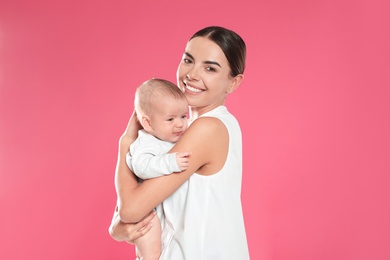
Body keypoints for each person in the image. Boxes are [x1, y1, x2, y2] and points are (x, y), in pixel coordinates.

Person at [109, 26, 250, 259]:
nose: (192, 74)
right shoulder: (181, 131)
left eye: (210, 68)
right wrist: (120, 226)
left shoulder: (208, 129)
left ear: (233, 83)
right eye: (188, 60)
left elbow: (132, 208)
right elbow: (143, 203)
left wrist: (125, 144)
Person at [124, 78, 190, 260]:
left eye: (184, 116)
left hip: (162, 210)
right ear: (148, 123)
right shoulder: (146, 142)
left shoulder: (173, 136)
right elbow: (141, 166)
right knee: (151, 255)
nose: (180, 124)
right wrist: (170, 163)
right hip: (147, 215)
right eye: (170, 119)